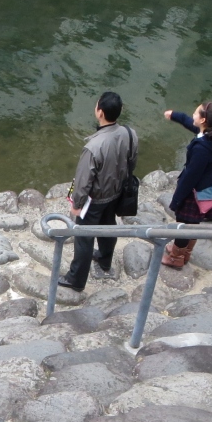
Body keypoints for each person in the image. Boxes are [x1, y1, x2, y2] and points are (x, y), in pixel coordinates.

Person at [58, 91, 138, 292]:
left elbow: (83, 181)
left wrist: (77, 205)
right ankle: (104, 260)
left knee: (83, 238)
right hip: (117, 192)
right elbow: (132, 161)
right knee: (108, 226)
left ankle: (76, 279)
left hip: (95, 199)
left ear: (100, 112)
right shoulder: (130, 133)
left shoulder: (94, 146)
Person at [161, 102, 212, 268]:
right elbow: (190, 123)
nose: (192, 115)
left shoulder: (202, 149)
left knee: (183, 225)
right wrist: (175, 115)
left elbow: (190, 177)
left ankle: (176, 257)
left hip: (193, 192)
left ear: (203, 120)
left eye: (195, 113)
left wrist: (177, 199)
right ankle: (185, 251)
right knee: (193, 224)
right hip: (205, 188)